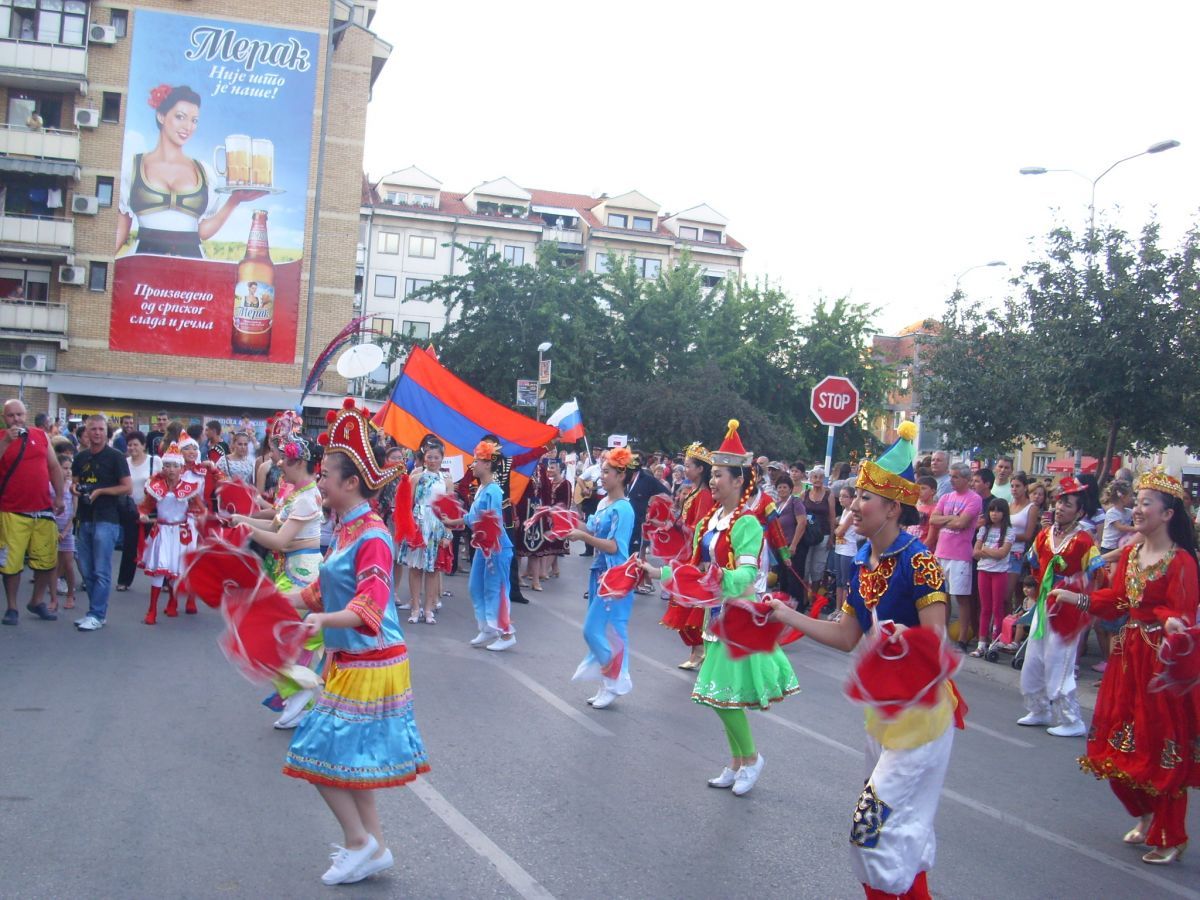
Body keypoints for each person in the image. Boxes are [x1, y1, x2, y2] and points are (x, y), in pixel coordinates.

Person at [768, 420, 961, 899]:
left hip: (923, 716)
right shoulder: (863, 563)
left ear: (894, 508)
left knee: (870, 828)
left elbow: (937, 646)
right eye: (853, 497)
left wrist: (902, 643)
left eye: (864, 499)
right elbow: (847, 635)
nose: (852, 506)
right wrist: (786, 614)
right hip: (885, 715)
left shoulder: (920, 562)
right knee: (903, 835)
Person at [285, 401, 428, 886]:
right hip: (350, 659)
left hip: (373, 660)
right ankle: (375, 846)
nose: (318, 480)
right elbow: (319, 590)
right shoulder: (346, 529)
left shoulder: (374, 536)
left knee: (316, 752)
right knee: (349, 763)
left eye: (325, 474)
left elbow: (368, 610)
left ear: (350, 483)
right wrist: (270, 601)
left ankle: (358, 842)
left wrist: (319, 618)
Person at [644, 420, 799, 797]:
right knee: (722, 696)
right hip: (716, 617)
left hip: (739, 617)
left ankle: (751, 758)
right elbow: (691, 567)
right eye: (711, 475)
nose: (712, 481)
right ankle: (736, 761)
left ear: (737, 480)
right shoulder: (710, 521)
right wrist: (653, 570)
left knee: (722, 696)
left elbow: (747, 569)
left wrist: (719, 576)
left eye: (718, 475)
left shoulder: (747, 522)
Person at [1059, 471, 1198, 865]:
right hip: (1128, 656)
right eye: (1136, 502)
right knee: (1119, 742)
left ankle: (1172, 835)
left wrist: (1172, 622)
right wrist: (1076, 597)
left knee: (1159, 746)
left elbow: (1181, 613)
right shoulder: (1133, 555)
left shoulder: (1182, 561)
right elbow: (1118, 601)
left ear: (1168, 513)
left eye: (1145, 503)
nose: (1136, 509)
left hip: (1161, 663)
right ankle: (1146, 814)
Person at [232, 428, 326, 728]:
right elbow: (274, 522)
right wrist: (240, 518)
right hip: (287, 570)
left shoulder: (308, 498)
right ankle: (299, 694)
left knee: (265, 633)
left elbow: (280, 540)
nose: (279, 462)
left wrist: (244, 528)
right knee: (266, 633)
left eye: (285, 458)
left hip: (302, 575)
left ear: (300, 463)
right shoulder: (295, 492)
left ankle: (301, 690)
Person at [116, 84, 265, 257]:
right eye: (180, 117)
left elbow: (202, 232)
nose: (188, 126)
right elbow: (121, 229)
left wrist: (235, 200)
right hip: (144, 262)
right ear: (161, 116)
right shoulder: (133, 166)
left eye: (194, 120)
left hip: (192, 263)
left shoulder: (204, 171)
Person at [1020, 476, 1099, 737]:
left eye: (1068, 504)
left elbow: (1097, 576)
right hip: (1044, 606)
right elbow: (1034, 564)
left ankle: (1071, 718)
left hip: (1067, 609)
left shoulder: (1084, 541)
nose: (1060, 508)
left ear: (1080, 511)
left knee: (1059, 663)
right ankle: (1039, 708)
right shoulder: (1044, 535)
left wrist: (1077, 593)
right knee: (1034, 659)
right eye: (1059, 502)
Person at [566, 447, 636, 708]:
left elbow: (615, 546)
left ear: (621, 475)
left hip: (616, 578)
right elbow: (590, 527)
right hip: (601, 574)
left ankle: (616, 679)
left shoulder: (624, 510)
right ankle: (609, 683)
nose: (602, 476)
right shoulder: (603, 503)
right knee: (608, 633)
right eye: (602, 471)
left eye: (607, 472)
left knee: (594, 631)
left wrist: (583, 537)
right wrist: (566, 518)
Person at [439, 440, 516, 651]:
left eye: (478, 461)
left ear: (489, 464)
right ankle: (488, 627)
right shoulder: (482, 488)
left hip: (496, 547)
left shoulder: (493, 491)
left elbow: (494, 522)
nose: (474, 464)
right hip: (484, 547)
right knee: (475, 587)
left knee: (495, 590)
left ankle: (506, 633)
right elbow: (472, 517)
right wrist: (451, 522)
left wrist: (489, 545)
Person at [0, 399, 66, 625]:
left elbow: (54, 467)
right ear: (4, 418)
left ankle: (37, 601)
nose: (16, 419)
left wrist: (59, 496)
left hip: (43, 509)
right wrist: (6, 442)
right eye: (11, 415)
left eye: (19, 414)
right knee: (11, 563)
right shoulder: (2, 437)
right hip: (12, 510)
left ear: (26, 415)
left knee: (46, 561)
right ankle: (11, 607)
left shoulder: (40, 435)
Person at [72, 414, 133, 632]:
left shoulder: (115, 456)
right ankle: (96, 611)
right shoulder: (80, 458)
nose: (97, 433)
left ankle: (97, 613)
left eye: (101, 429)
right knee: (87, 571)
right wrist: (75, 489)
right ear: (86, 432)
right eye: (93, 429)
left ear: (106, 432)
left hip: (107, 519)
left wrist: (101, 492)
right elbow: (75, 483)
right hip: (85, 517)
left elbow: (127, 487)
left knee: (101, 570)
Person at [661, 442, 716, 670]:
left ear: (700, 469)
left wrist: (680, 525)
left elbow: (700, 529)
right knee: (687, 604)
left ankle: (700, 650)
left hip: (694, 557)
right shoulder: (693, 492)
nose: (686, 470)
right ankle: (698, 650)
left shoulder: (703, 495)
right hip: (686, 553)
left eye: (689, 465)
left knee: (693, 605)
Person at [137, 443, 205, 624]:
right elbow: (145, 506)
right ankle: (152, 609)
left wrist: (196, 518)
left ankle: (173, 601)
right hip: (162, 532)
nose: (171, 470)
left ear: (182, 468)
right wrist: (143, 515)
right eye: (168, 466)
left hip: (181, 533)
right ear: (163, 467)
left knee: (176, 569)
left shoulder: (190, 488)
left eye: (175, 466)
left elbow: (199, 509)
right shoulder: (155, 486)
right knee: (160, 569)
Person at [930, 462, 983, 649]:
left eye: (955, 477)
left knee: (961, 597)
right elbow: (933, 519)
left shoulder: (974, 499)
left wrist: (949, 521)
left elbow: (962, 523)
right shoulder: (945, 497)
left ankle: (961, 638)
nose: (951, 480)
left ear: (966, 479)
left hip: (960, 554)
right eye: (951, 476)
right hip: (941, 552)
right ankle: (942, 635)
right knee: (941, 596)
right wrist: (951, 519)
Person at [403, 440, 452, 625]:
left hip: (437, 525)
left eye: (436, 457)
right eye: (429, 457)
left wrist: (448, 532)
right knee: (415, 568)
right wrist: (408, 527)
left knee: (433, 570)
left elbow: (450, 509)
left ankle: (429, 608)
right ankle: (415, 607)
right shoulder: (416, 477)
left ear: (442, 459)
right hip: (418, 523)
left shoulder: (446, 480)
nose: (432, 460)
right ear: (424, 458)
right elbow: (408, 505)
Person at [117, 431, 159, 592]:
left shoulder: (155, 461)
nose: (132, 448)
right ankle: (124, 580)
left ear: (143, 446)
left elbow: (164, 481)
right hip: (131, 509)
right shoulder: (124, 462)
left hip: (152, 510)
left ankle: (163, 580)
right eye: (130, 445)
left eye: (136, 444)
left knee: (157, 545)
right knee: (130, 545)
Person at [971, 498, 1013, 658]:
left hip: (999, 573)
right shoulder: (984, 530)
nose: (995, 514)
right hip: (984, 570)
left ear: (1004, 513)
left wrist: (985, 550)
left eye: (998, 511)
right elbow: (975, 552)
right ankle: (982, 642)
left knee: (997, 607)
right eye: (992, 510)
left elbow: (1002, 554)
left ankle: (995, 641)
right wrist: (991, 552)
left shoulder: (1009, 531)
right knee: (985, 608)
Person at [800, 465, 836, 593]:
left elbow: (832, 517)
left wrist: (832, 537)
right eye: (815, 477)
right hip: (807, 535)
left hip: (824, 534)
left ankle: (813, 598)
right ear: (810, 478)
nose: (817, 480)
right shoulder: (804, 494)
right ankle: (803, 596)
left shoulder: (828, 494)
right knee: (805, 566)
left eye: (820, 477)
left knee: (818, 567)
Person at [832, 485, 860, 611]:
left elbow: (839, 532)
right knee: (838, 580)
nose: (841, 499)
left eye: (845, 496)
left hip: (848, 551)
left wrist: (837, 527)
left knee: (845, 582)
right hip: (839, 548)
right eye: (841, 496)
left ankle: (844, 610)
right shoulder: (844, 511)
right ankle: (837, 608)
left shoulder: (851, 514)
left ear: (852, 498)